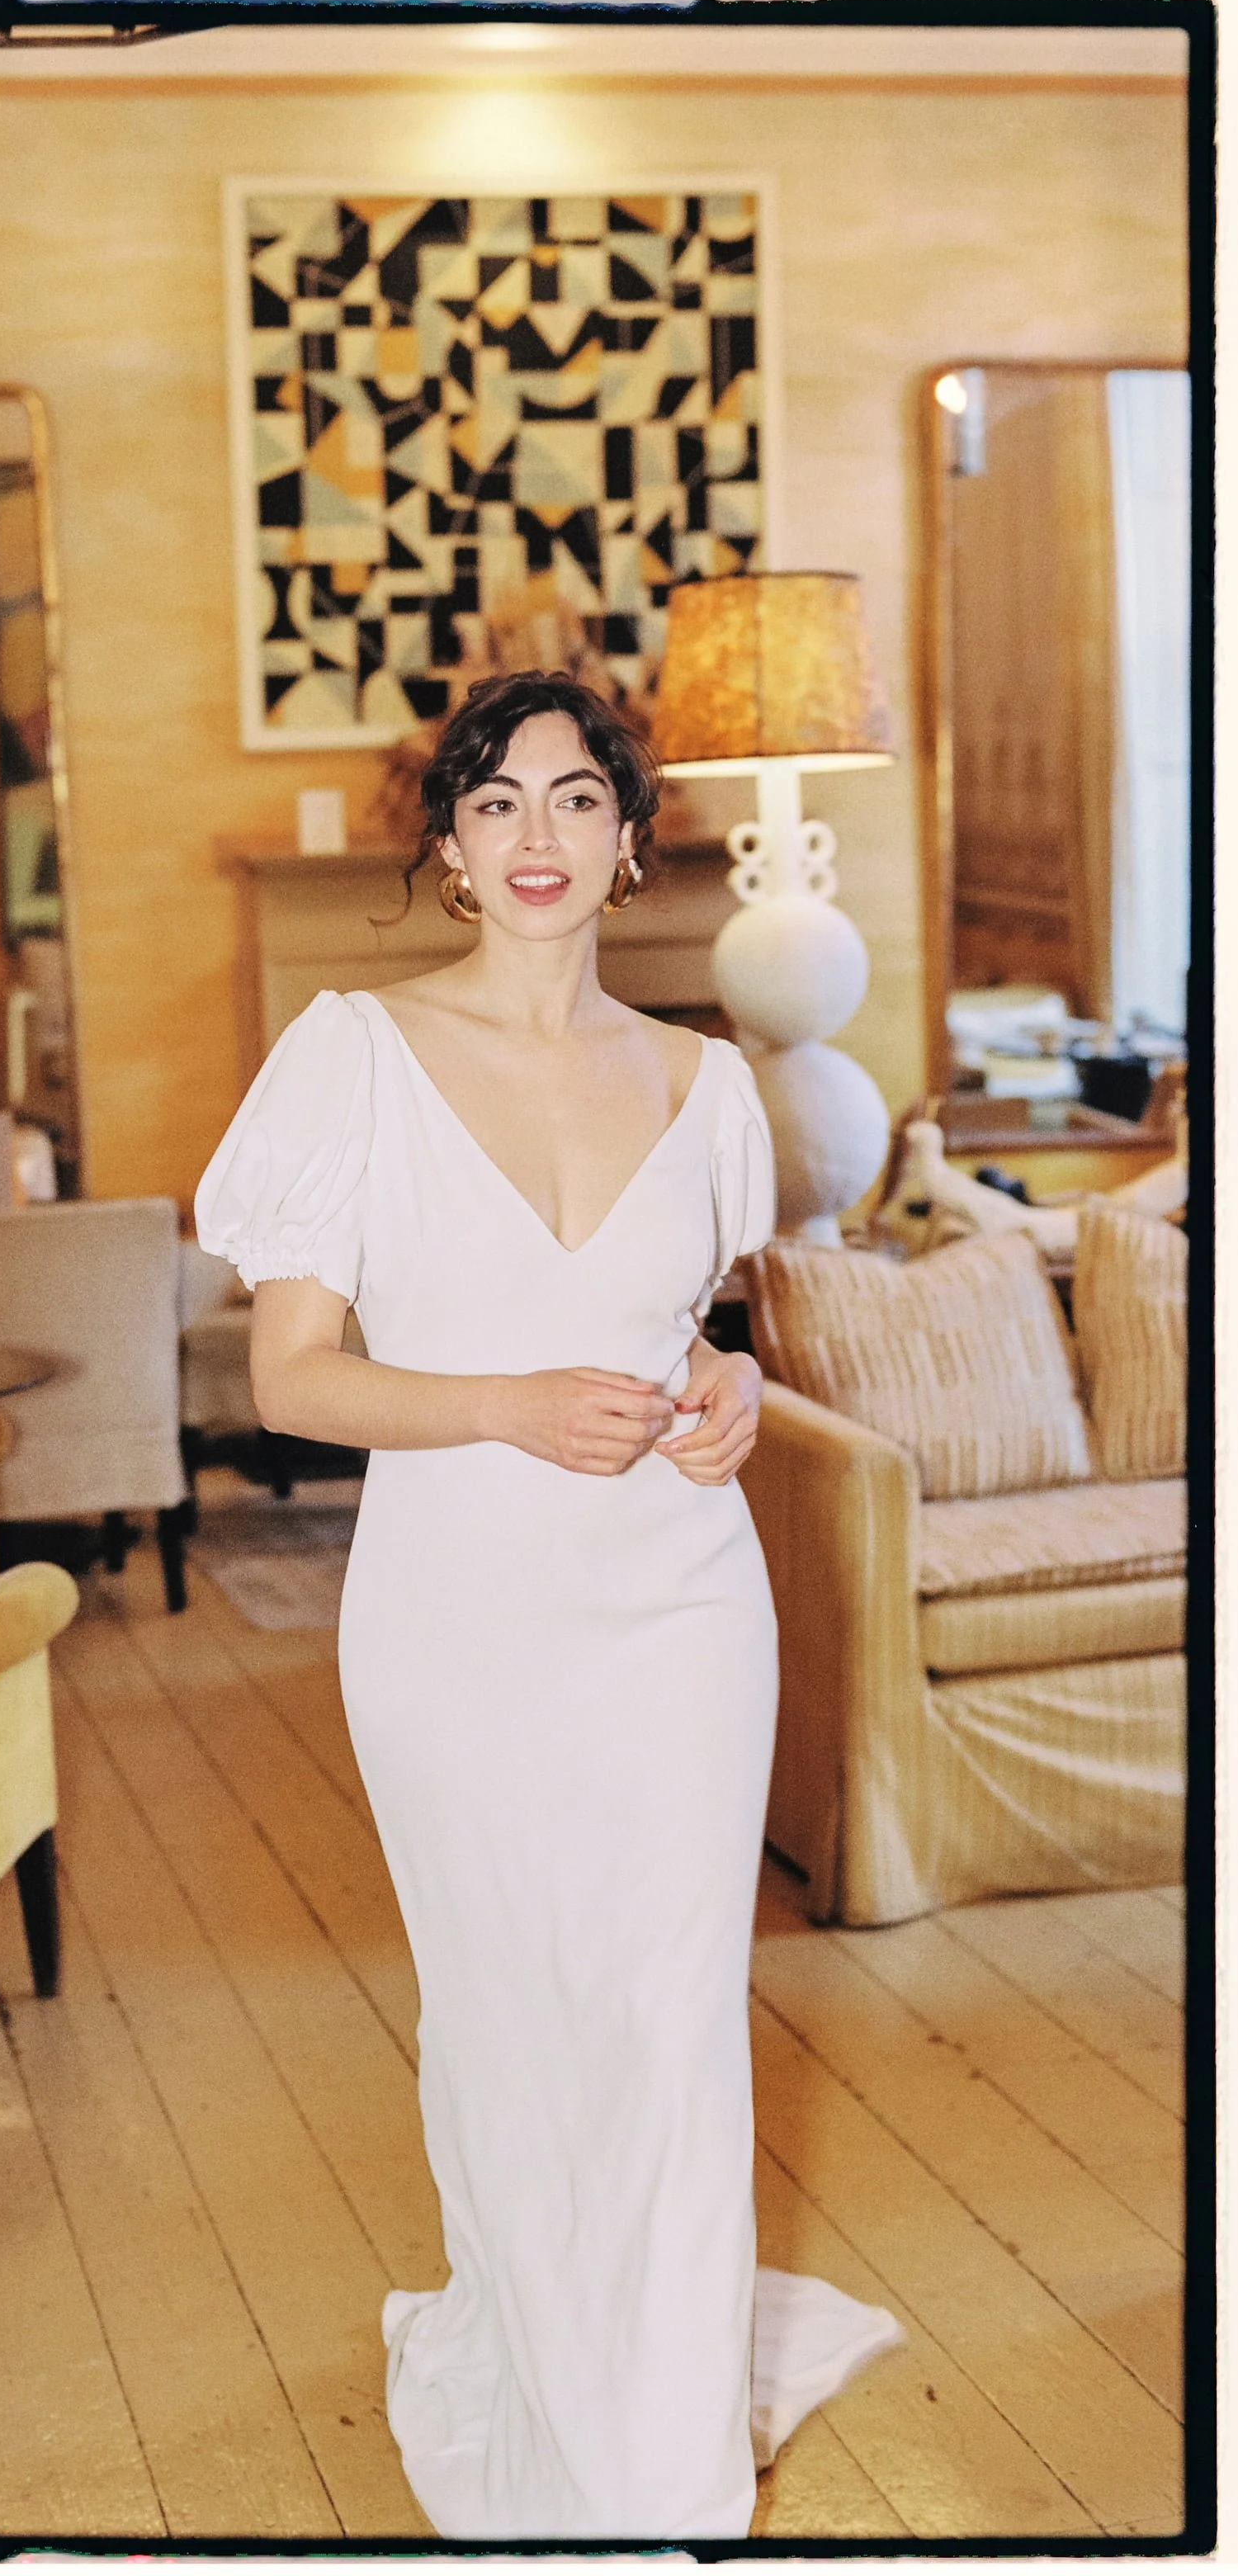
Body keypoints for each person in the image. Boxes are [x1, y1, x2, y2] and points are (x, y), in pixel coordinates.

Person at [193, 671, 900, 2541]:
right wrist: (498, 1406)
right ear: (444, 844)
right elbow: (288, 1383)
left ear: (623, 839)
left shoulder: (707, 1080)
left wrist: (732, 1395)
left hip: (679, 1613)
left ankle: (656, 2472)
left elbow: (707, 1341)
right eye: (495, 802)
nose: (534, 837)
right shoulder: (345, 1056)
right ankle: (543, 2375)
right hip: (459, 1616)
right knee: (512, 2017)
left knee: (670, 2020)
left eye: (574, 799)